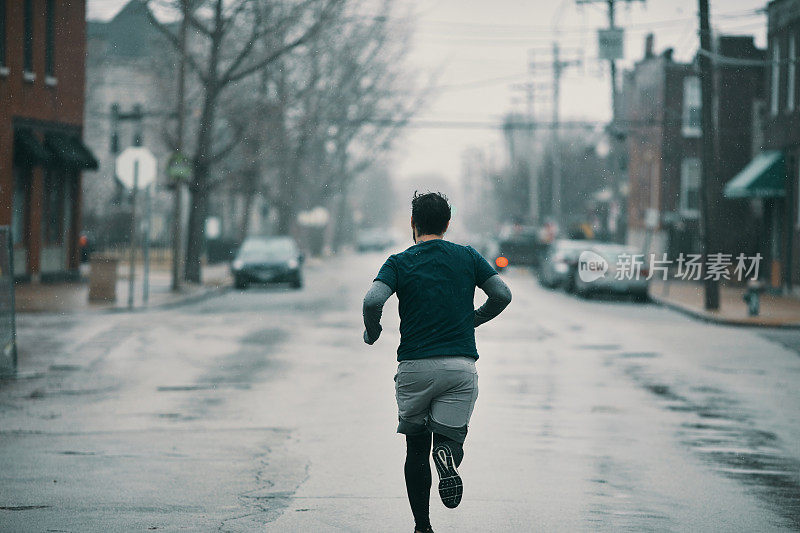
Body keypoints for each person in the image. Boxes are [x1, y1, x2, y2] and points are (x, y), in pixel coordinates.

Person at [362, 191, 512, 533]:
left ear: (414, 224)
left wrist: (372, 332)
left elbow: (373, 300)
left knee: (416, 449)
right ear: (447, 224)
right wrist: (471, 319)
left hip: (415, 367)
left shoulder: (398, 262)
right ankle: (447, 455)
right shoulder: (468, 257)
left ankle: (422, 527)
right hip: (459, 367)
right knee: (448, 440)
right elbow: (502, 295)